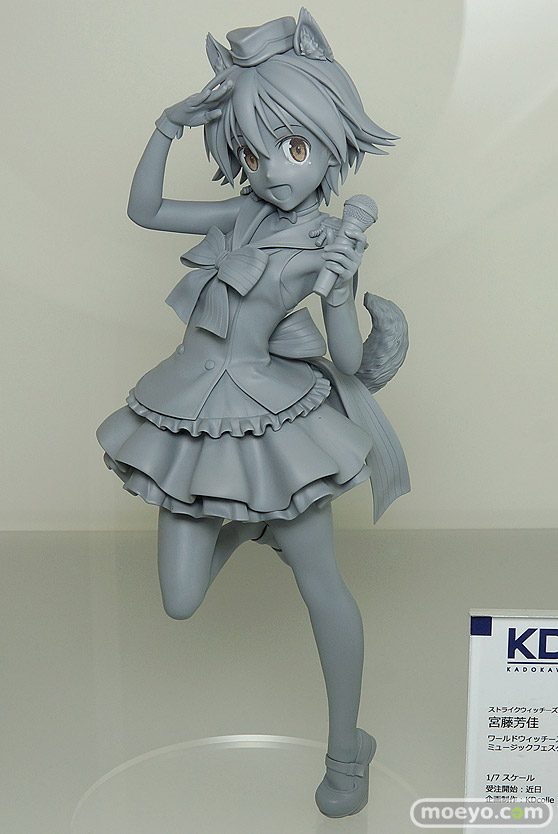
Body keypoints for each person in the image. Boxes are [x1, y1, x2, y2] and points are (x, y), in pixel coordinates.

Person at [97, 9, 410, 818]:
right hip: (189, 414)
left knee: (322, 587)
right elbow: (145, 210)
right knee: (179, 598)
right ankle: (254, 521)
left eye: (294, 148)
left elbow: (347, 361)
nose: (271, 169)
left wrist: (343, 296)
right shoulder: (240, 214)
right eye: (252, 150)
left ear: (332, 143)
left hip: (270, 425)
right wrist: (167, 125)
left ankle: (348, 750)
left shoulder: (327, 244)